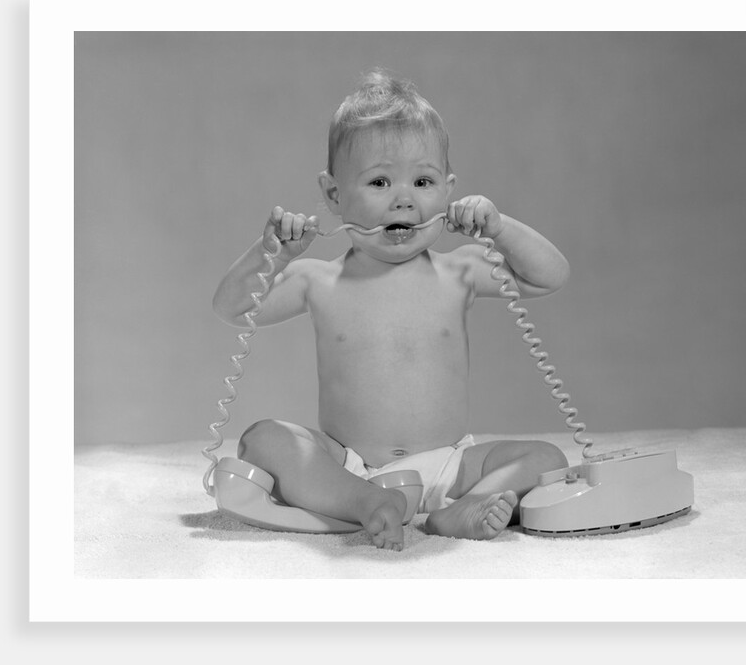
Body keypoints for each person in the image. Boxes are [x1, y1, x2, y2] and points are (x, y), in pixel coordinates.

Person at [212, 69, 571, 550]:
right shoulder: (317, 279)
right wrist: (270, 253)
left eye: (423, 181)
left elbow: (549, 275)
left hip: (449, 464)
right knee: (262, 438)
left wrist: (500, 227)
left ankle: (455, 510)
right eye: (380, 181)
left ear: (447, 191)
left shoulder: (460, 271)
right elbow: (232, 308)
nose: (404, 198)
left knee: (547, 457)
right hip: (348, 463)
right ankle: (364, 501)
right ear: (335, 196)